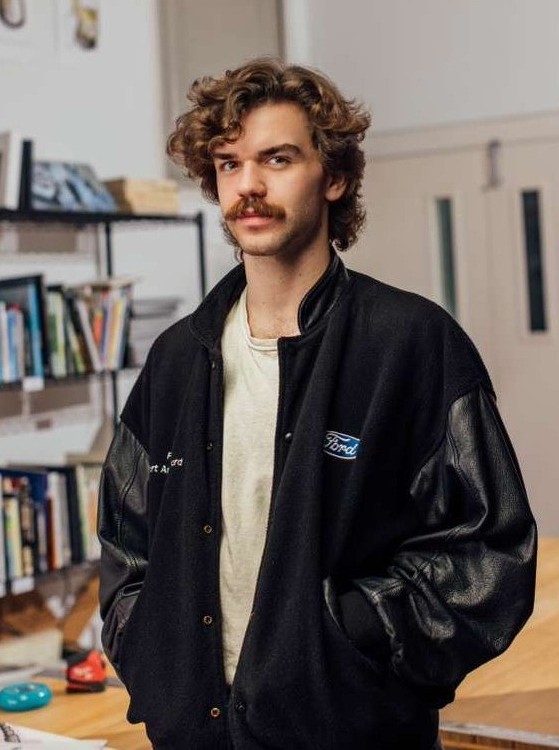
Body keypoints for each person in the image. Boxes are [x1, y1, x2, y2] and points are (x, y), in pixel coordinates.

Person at [98, 58, 537, 750]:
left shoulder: (410, 344)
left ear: (332, 177)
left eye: (276, 159)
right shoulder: (176, 359)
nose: (248, 185)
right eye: (229, 163)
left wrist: (350, 631)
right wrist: (151, 653)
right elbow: (126, 543)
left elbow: (491, 553)